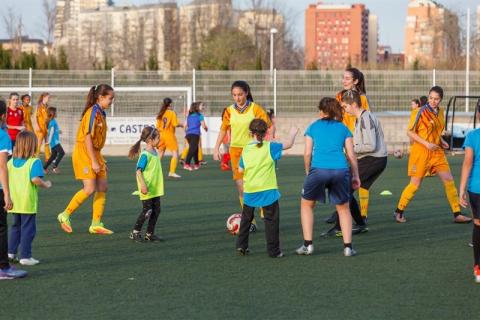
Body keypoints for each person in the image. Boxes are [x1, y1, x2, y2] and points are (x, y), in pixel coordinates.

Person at [393, 86, 471, 223]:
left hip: (437, 152)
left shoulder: (441, 112)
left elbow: (436, 130)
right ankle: (399, 211)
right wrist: (427, 144)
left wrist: (441, 141)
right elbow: (410, 132)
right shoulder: (419, 112)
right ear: (428, 97)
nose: (433, 101)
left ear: (440, 99)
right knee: (415, 185)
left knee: (449, 181)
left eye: (436, 99)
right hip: (421, 153)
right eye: (431, 98)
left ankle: (457, 214)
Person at [296, 97, 360, 257]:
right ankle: (347, 248)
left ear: (321, 111)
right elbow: (351, 155)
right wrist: (356, 176)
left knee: (306, 205)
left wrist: (307, 170)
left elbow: (307, 153)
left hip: (319, 170)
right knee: (343, 208)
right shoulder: (344, 128)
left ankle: (308, 245)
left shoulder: (313, 127)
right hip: (340, 170)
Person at [323, 90, 388, 237]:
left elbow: (370, 146)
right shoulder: (361, 118)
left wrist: (350, 150)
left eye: (345, 106)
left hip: (373, 159)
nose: (344, 110)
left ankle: (341, 227)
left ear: (353, 105)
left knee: (343, 190)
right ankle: (359, 224)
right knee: (344, 190)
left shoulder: (366, 119)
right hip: (369, 159)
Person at [57, 84, 115, 234]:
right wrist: (94, 161)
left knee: (102, 187)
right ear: (100, 97)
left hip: (95, 153)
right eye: (110, 98)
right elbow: (87, 138)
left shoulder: (102, 113)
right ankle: (65, 215)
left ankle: (96, 224)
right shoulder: (92, 113)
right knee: (89, 188)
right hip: (84, 153)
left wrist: (100, 159)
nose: (112, 101)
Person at [213, 81, 271, 232]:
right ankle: (250, 221)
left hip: (254, 150)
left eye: (240, 94)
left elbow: (267, 126)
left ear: (246, 93)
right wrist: (216, 147)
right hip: (236, 151)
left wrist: (266, 144)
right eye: (234, 95)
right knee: (241, 187)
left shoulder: (255, 108)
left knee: (257, 183)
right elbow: (223, 129)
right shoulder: (229, 111)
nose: (237, 98)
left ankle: (263, 209)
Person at [236, 119, 298, 258]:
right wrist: (293, 134)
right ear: (266, 133)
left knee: (246, 219)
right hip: (268, 189)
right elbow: (288, 145)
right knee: (271, 221)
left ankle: (242, 245)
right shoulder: (270, 147)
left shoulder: (246, 149)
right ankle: (274, 251)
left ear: (250, 133)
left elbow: (240, 169)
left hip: (250, 189)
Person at [7, 131, 52, 266]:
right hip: (27, 202)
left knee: (15, 227)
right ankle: (25, 256)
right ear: (33, 145)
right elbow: (35, 179)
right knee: (28, 229)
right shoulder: (34, 161)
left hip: (14, 201)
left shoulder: (11, 162)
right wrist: (46, 184)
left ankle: (10, 252)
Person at [0, 100, 27, 279]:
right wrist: (8, 195)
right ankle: (3, 268)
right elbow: (2, 167)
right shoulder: (2, 136)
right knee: (1, 228)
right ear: (3, 116)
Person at [128, 126, 164, 242]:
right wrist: (143, 185)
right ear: (150, 139)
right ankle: (135, 232)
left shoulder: (155, 152)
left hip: (154, 188)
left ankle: (149, 234)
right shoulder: (145, 155)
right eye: (158, 138)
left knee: (156, 211)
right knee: (147, 211)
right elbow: (138, 171)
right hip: (146, 188)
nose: (159, 140)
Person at [459, 109, 480, 282]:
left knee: (478, 225)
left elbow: (467, 164)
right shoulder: (472, 136)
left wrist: (461, 190)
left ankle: (478, 268)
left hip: (476, 188)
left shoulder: (472, 136)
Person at [156, 98, 183, 179]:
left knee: (160, 153)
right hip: (169, 135)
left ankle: (153, 170)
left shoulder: (160, 113)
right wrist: (181, 125)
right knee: (175, 154)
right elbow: (175, 124)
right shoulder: (172, 113)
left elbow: (157, 127)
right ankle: (171, 172)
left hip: (161, 135)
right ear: (170, 104)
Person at [183, 102, 208, 171]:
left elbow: (184, 126)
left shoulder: (189, 116)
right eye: (201, 106)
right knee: (192, 149)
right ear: (197, 107)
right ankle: (186, 164)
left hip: (188, 135)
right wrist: (206, 129)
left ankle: (196, 164)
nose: (202, 107)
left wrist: (186, 133)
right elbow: (203, 125)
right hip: (195, 135)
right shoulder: (200, 116)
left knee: (195, 149)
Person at [43, 107, 65, 174]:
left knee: (53, 156)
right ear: (52, 113)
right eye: (55, 112)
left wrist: (58, 131)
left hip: (53, 142)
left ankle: (44, 168)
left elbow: (52, 130)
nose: (56, 113)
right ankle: (54, 167)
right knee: (62, 153)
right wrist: (49, 141)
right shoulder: (52, 121)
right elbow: (51, 132)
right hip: (54, 142)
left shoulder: (51, 121)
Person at [35, 93, 50, 160]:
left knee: (47, 142)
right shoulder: (39, 106)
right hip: (40, 127)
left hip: (45, 127)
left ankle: (48, 158)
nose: (48, 99)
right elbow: (36, 117)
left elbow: (47, 117)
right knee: (39, 143)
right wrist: (38, 126)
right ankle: (36, 157)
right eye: (47, 97)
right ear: (44, 97)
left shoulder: (47, 106)